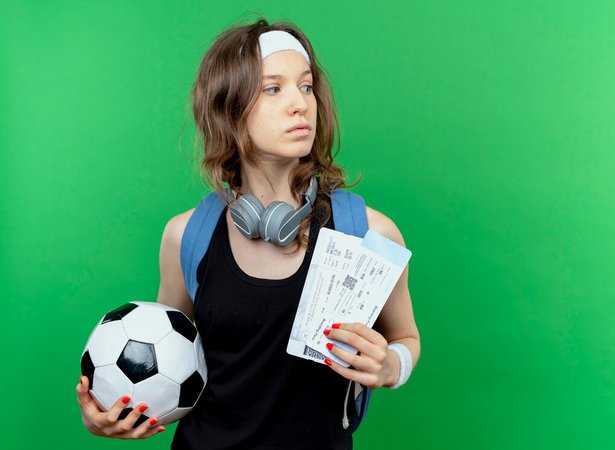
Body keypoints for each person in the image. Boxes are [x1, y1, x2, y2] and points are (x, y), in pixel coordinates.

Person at [76, 18, 420, 449]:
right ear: (228, 110)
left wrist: (392, 366)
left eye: (307, 86)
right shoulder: (187, 236)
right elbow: (165, 356)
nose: (300, 104)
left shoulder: (370, 234)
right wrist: (112, 415)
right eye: (273, 89)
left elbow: (406, 337)